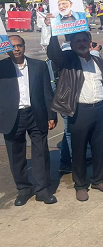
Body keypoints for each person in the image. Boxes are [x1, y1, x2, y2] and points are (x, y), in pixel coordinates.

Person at [45, 17, 103, 202]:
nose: (82, 44)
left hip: (99, 109)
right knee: (79, 149)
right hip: (80, 111)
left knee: (100, 148)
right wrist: (52, 30)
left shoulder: (98, 61)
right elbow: (53, 53)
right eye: (78, 41)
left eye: (84, 40)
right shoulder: (67, 61)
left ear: (90, 42)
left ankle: (98, 180)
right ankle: (80, 185)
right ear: (72, 44)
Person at [1, 35, 57, 206]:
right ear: (7, 48)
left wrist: (51, 115)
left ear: (24, 47)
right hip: (12, 116)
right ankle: (24, 189)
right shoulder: (1, 67)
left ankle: (42, 190)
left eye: (19, 45)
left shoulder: (38, 66)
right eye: (13, 46)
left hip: (36, 114)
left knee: (41, 153)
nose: (16, 49)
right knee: (16, 156)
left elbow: (47, 92)